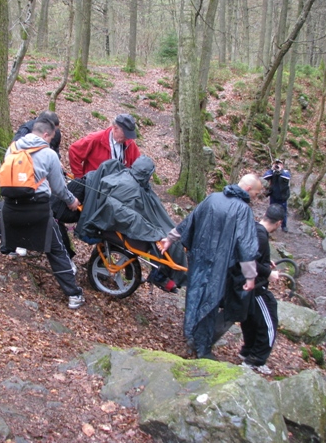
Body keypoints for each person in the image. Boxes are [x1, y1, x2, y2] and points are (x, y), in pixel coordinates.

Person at [159, 174, 263, 360]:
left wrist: (170, 238)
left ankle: (191, 335)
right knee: (210, 302)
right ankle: (202, 348)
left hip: (199, 258)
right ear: (248, 190)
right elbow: (246, 245)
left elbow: (190, 220)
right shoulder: (243, 210)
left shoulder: (213, 198)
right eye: (256, 193)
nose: (256, 197)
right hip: (220, 265)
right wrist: (250, 276)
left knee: (195, 297)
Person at [0, 119, 85, 309]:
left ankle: (9, 248)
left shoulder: (12, 148)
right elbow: (60, 189)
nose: (51, 141)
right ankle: (74, 295)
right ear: (46, 134)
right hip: (38, 211)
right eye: (52, 137)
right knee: (57, 250)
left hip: (10, 208)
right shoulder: (49, 154)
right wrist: (72, 202)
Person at [75, 156, 187, 291]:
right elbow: (131, 218)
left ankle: (163, 274)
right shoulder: (131, 190)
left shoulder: (129, 178)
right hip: (125, 228)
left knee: (171, 239)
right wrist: (153, 232)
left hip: (139, 222)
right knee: (164, 243)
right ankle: (161, 276)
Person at [239, 204, 285, 375]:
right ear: (279, 223)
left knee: (252, 320)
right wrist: (268, 273)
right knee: (269, 323)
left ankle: (247, 351)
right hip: (256, 286)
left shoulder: (255, 229)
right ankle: (256, 359)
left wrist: (267, 263)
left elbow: (255, 256)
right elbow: (248, 258)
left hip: (249, 285)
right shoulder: (261, 236)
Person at [68, 113, 141, 178]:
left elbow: (138, 165)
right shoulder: (96, 139)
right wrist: (79, 178)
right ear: (115, 128)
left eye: (128, 136)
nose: (127, 138)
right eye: (125, 135)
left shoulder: (130, 143)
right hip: (95, 185)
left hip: (118, 188)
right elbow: (73, 151)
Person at [262, 159, 291, 232]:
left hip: (282, 197)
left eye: (279, 164)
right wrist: (272, 169)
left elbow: (287, 177)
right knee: (272, 209)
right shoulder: (272, 172)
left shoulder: (285, 172)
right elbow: (265, 177)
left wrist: (280, 171)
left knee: (283, 211)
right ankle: (271, 224)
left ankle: (284, 226)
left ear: (283, 165)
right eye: (276, 164)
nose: (278, 165)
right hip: (274, 195)